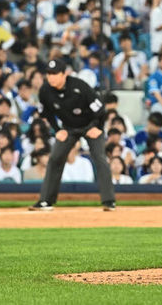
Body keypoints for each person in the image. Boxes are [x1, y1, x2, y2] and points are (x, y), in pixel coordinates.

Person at [29, 59, 115, 212]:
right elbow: (46, 114)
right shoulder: (45, 91)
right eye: (49, 74)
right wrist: (57, 129)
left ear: (64, 74)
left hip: (90, 125)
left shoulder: (80, 87)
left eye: (55, 74)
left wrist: (97, 127)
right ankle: (46, 201)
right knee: (55, 158)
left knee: (99, 157)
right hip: (68, 127)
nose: (51, 77)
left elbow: (101, 110)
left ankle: (109, 201)